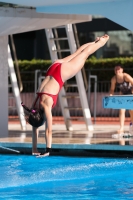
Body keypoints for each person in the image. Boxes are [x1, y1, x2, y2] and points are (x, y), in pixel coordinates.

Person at [23, 34, 109, 157]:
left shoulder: (45, 105)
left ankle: (102, 42)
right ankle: (94, 42)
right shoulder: (34, 106)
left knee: (84, 55)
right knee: (78, 53)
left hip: (61, 74)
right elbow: (34, 125)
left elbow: (49, 130)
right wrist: (34, 148)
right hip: (53, 67)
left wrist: (48, 150)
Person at [109, 65, 133, 138]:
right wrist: (111, 95)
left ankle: (132, 126)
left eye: (119, 69)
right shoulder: (114, 79)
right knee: (121, 111)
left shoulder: (125, 76)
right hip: (123, 95)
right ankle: (121, 127)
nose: (117, 71)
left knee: (131, 111)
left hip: (130, 95)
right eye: (116, 70)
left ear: (122, 70)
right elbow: (112, 89)